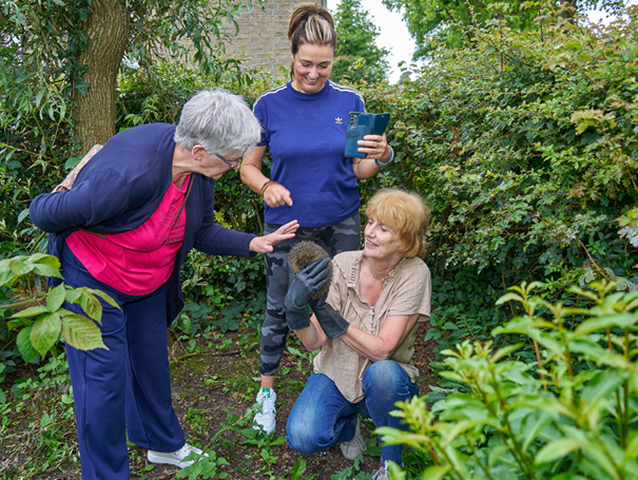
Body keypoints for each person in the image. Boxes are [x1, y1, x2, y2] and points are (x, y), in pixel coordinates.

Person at [29, 89, 299, 480]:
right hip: (93, 281)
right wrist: (69, 184)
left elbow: (201, 230)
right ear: (201, 150)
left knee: (152, 366)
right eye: (233, 159)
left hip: (148, 284)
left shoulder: (197, 170)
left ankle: (162, 444)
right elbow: (43, 213)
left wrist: (251, 243)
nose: (236, 165)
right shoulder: (126, 177)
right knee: (102, 387)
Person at [239, 2, 395, 435]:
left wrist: (382, 157)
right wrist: (266, 185)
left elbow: (358, 170)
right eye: (306, 63)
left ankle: (348, 393)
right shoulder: (268, 105)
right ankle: (267, 394)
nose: (313, 73)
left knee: (347, 309)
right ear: (291, 55)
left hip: (341, 223)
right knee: (278, 308)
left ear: (334, 60)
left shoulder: (350, 101)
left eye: (323, 65)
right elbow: (247, 166)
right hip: (285, 227)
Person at [283, 188, 431, 480]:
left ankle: (391, 464)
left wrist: (330, 317)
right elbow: (314, 342)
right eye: (370, 222)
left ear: (406, 240)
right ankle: (349, 424)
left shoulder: (416, 273)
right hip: (337, 373)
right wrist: (296, 310)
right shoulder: (343, 264)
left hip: (384, 381)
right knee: (302, 436)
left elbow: (382, 350)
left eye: (383, 228)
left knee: (384, 374)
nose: (371, 233)